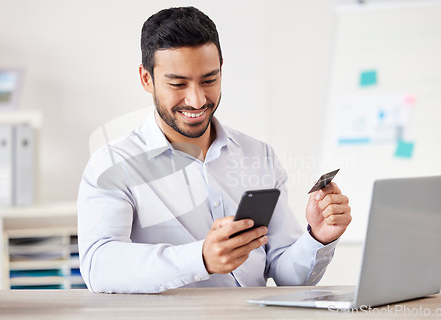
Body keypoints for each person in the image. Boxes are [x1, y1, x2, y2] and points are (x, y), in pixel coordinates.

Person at [77, 6, 351, 294]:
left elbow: (287, 275)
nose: (196, 101)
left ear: (222, 69)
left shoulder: (259, 155)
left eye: (209, 80)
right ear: (147, 79)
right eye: (177, 84)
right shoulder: (113, 164)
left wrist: (317, 239)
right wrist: (200, 259)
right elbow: (99, 265)